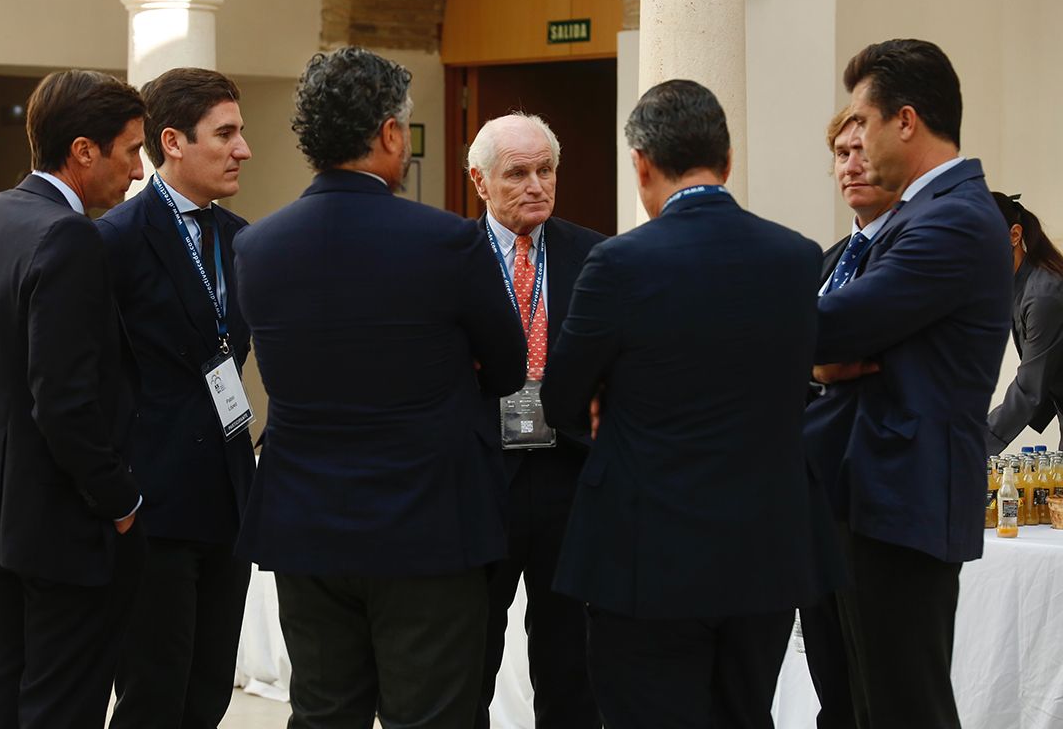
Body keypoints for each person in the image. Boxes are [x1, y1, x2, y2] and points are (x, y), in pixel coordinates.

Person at [233, 46, 527, 728]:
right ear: (391, 133)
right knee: (430, 714)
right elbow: (508, 369)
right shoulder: (448, 242)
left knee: (324, 710)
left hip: (305, 518)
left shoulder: (258, 246)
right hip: (427, 519)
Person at [541, 79, 838, 728]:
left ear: (640, 165)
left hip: (646, 553)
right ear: (727, 162)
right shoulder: (795, 257)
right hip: (764, 550)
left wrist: (605, 402)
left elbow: (561, 397)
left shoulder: (617, 262)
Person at [0, 69, 147, 727]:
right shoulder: (68, 237)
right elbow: (65, 398)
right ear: (83, 151)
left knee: (4, 689)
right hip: (59, 523)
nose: (136, 170)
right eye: (131, 150)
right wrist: (119, 499)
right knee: (60, 704)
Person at [815, 39, 1012, 729]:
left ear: (904, 120)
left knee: (902, 708)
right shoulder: (910, 218)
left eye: (861, 125)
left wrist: (810, 351)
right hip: (862, 492)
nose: (856, 146)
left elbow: (833, 327)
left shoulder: (953, 217)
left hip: (901, 496)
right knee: (855, 703)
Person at [98, 67, 256, 729]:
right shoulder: (115, 239)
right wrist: (116, 494)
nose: (242, 149)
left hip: (228, 496)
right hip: (152, 505)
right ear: (173, 141)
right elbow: (89, 376)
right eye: (226, 133)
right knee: (153, 693)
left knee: (209, 688)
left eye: (240, 132)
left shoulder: (241, 237)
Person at [467, 113, 604, 729]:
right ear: (481, 182)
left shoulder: (595, 255)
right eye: (516, 173)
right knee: (467, 658)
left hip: (568, 474)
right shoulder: (453, 257)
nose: (535, 186)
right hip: (481, 473)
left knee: (570, 661)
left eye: (545, 170)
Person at [800, 107, 900, 729]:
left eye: (862, 150)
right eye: (840, 153)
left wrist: (807, 359)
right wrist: (809, 366)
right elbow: (797, 358)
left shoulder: (909, 247)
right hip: (814, 490)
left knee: (876, 690)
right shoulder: (829, 256)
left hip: (875, 488)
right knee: (829, 680)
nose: (852, 165)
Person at [986, 192, 1063, 454]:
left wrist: (971, 448)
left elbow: (1029, 388)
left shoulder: (1044, 293)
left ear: (1014, 235)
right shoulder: (1017, 285)